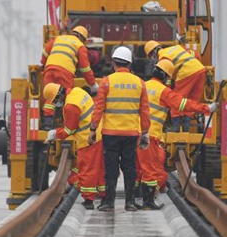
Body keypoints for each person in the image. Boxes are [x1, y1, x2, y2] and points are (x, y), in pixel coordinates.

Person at [138, 59, 217, 209]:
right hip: (150, 135)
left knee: (139, 167)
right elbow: (183, 105)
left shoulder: (142, 86)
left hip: (133, 134)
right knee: (152, 169)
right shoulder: (164, 91)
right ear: (167, 77)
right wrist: (207, 108)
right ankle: (148, 202)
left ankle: (135, 198)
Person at [88, 46, 151, 212]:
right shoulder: (140, 83)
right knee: (130, 168)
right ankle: (129, 203)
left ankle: (109, 203)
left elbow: (98, 108)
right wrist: (145, 132)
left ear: (114, 63)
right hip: (131, 134)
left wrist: (93, 128)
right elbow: (144, 111)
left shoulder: (107, 82)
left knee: (111, 168)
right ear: (130, 64)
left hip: (110, 134)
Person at [43, 82, 104, 210]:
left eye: (55, 101)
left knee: (86, 169)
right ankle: (103, 194)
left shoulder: (70, 106)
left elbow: (69, 130)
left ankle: (88, 199)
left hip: (88, 139)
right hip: (97, 134)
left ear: (59, 96)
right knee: (98, 167)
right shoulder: (77, 91)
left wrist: (55, 134)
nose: (56, 104)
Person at [144, 40, 207, 129]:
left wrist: (167, 89)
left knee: (176, 100)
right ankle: (186, 127)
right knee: (191, 100)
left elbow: (168, 76)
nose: (152, 59)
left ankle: (175, 127)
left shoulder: (163, 58)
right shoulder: (175, 48)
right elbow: (195, 54)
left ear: (153, 52)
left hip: (186, 72)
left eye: (150, 56)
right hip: (200, 70)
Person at [40, 26, 99, 120]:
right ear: (83, 38)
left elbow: (45, 52)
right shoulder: (80, 45)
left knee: (51, 94)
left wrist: (43, 64)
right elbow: (85, 69)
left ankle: (47, 121)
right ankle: (67, 121)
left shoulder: (58, 38)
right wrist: (93, 84)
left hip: (49, 69)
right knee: (68, 96)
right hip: (64, 72)